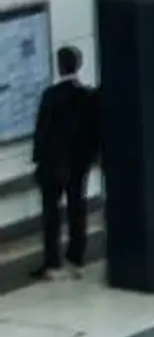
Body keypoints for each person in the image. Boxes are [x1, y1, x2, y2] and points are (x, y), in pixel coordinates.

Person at [30, 45, 99, 283]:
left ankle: (53, 262)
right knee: (76, 209)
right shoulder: (87, 97)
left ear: (60, 66)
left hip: (52, 165)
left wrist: (38, 160)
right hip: (78, 164)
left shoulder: (50, 96)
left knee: (51, 214)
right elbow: (93, 133)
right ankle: (76, 260)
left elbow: (42, 132)